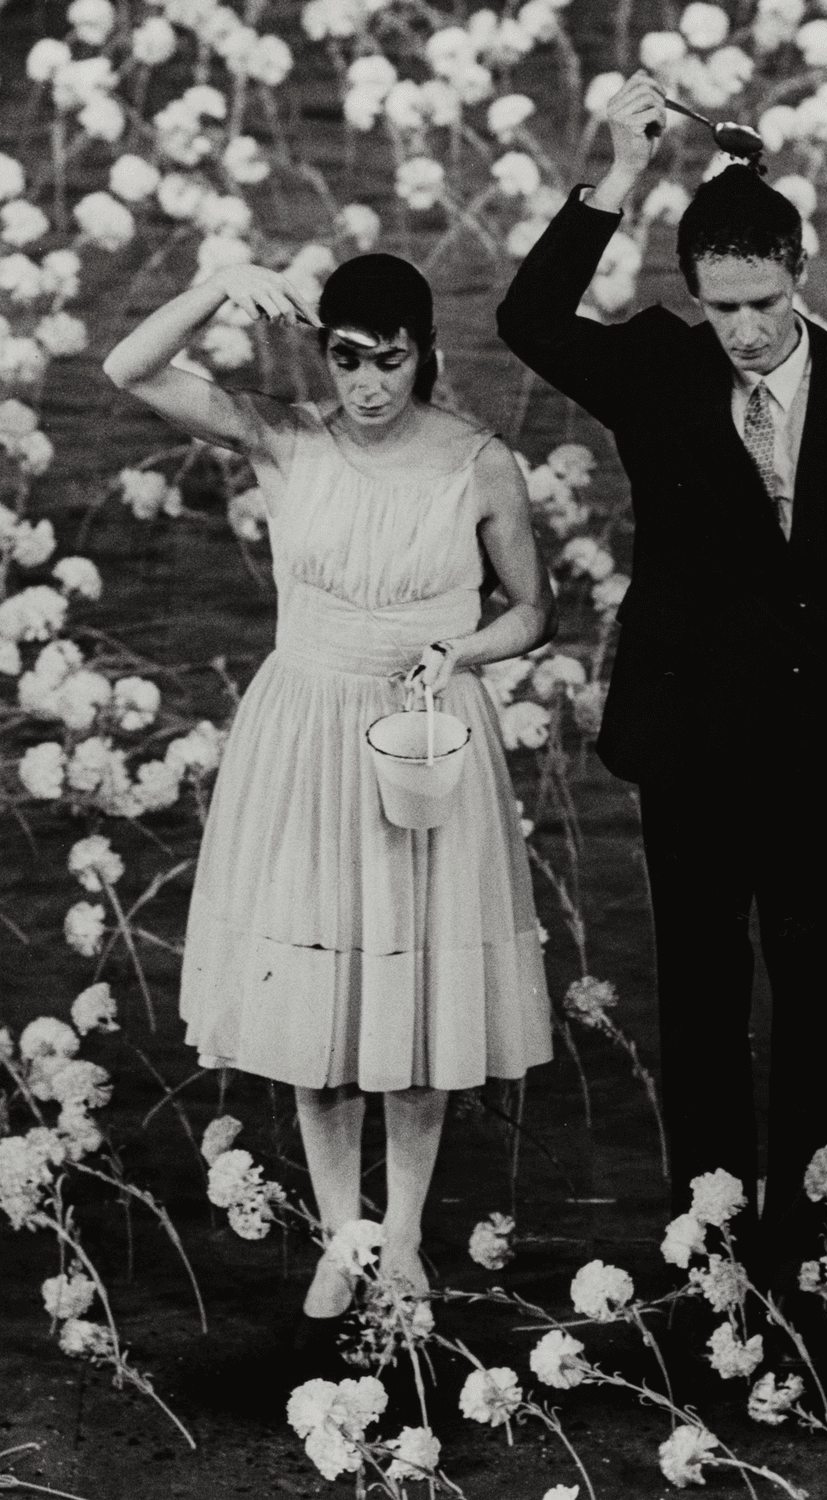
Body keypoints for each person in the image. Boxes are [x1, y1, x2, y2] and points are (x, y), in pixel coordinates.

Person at [497, 73, 827, 1301]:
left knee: (817, 1005)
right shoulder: (658, 370)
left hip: (820, 744)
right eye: (721, 309)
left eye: (762, 304)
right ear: (694, 293)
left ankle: (813, 1246)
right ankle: (706, 1249)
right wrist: (617, 171)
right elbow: (530, 318)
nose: (745, 332)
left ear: (797, 277)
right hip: (692, 739)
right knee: (701, 1002)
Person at [103, 252, 556, 1328]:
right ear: (325, 353)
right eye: (345, 360)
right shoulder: (284, 434)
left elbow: (534, 613)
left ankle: (400, 1243)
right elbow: (130, 368)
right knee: (316, 1009)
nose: (365, 386)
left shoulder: (480, 463)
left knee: (413, 1000)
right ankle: (337, 1234)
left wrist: (459, 650)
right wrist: (219, 280)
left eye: (387, 363)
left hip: (420, 737)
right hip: (302, 735)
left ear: (423, 354)